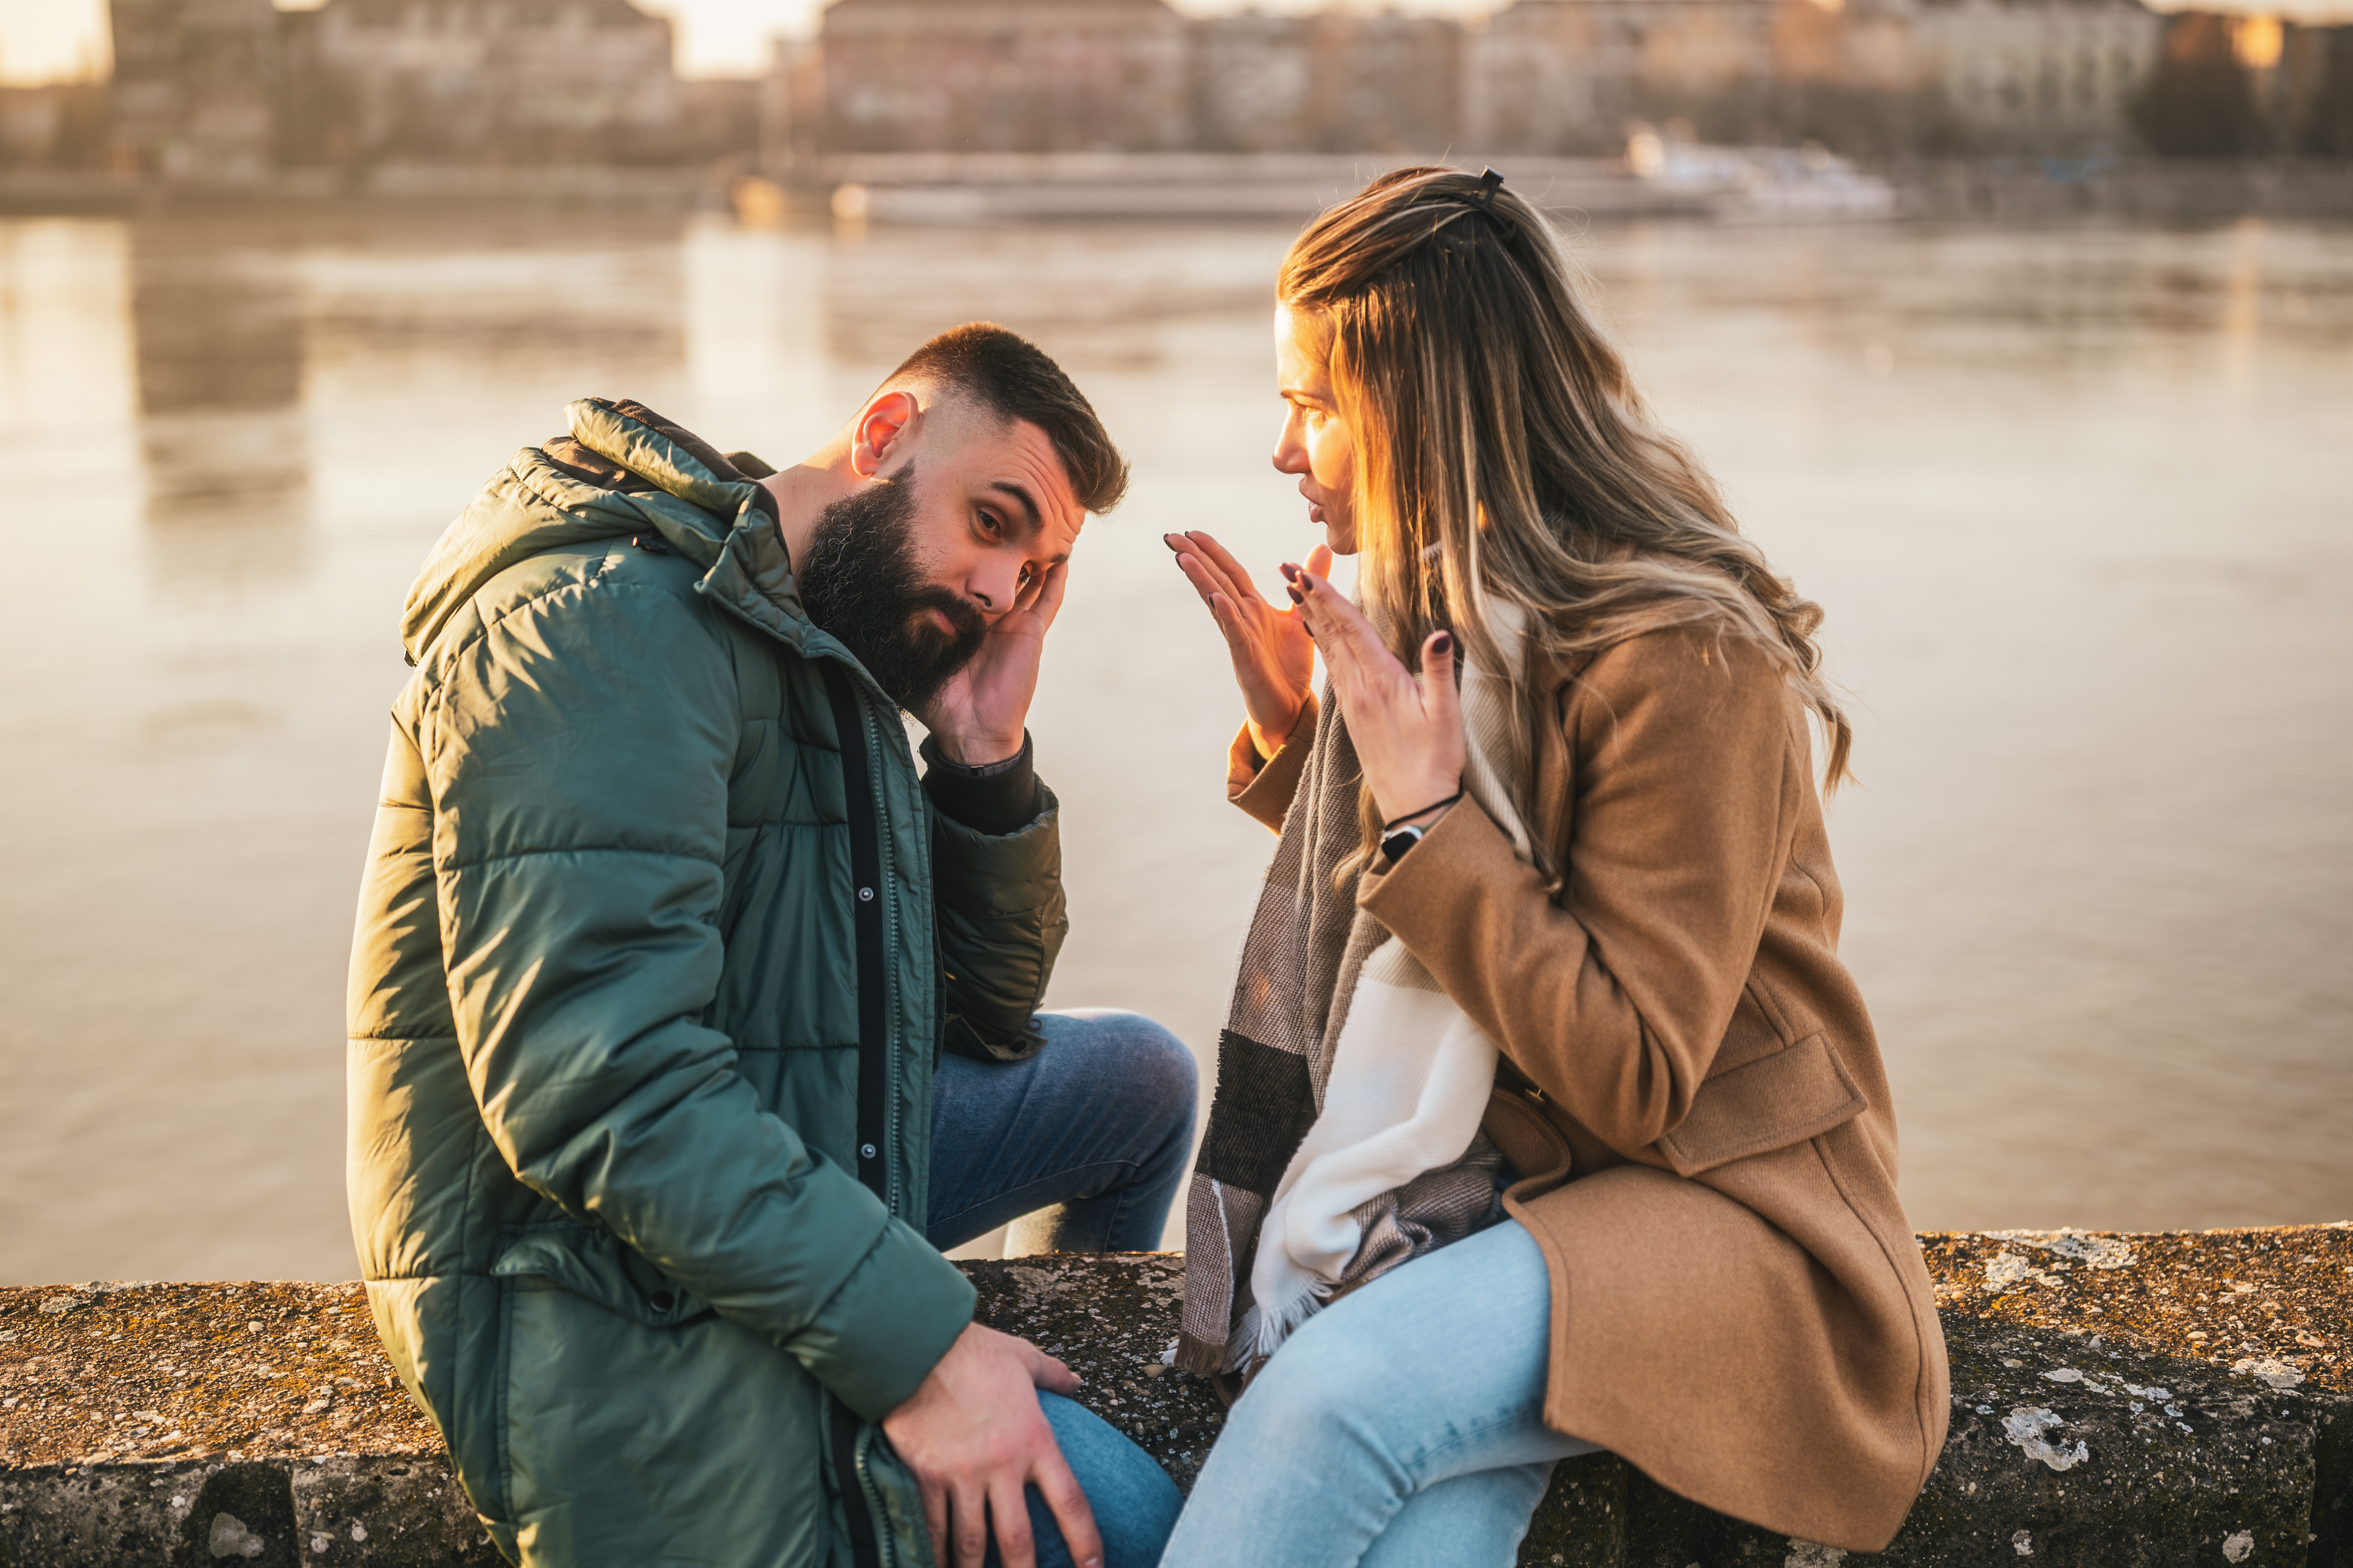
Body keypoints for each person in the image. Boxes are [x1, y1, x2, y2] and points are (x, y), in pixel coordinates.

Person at [1158, 168, 1950, 1566]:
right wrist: (1313, 748)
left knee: (1326, 1407)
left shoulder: (1681, 655)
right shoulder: (1446, 610)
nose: (1285, 448)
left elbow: (1635, 1072)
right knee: (1421, 1534)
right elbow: (1471, 917)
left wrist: (1416, 817)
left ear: (1421, 410)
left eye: (1314, 401)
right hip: (1514, 1190)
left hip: (1730, 1212)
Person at [345, 324, 1192, 1568]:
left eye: (1037, 568)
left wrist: (981, 752)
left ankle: (1031, 1364)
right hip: (590, 1257)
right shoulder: (604, 626)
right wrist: (925, 1354)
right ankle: (960, 1418)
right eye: (994, 522)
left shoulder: (812, 639)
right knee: (1144, 1529)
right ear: (886, 433)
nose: (1000, 592)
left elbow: (975, 1025)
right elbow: (599, 1087)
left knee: (1140, 1085)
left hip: (762, 1129)